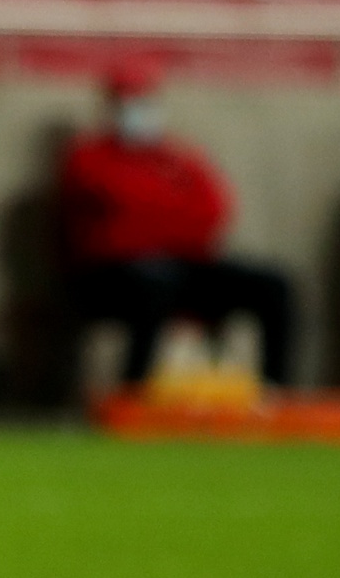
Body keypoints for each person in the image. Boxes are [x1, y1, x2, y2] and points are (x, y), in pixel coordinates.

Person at [59, 57, 295, 386]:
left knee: (273, 284)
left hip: (184, 268)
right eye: (127, 101)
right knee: (155, 281)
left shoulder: (179, 158)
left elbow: (213, 210)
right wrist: (167, 218)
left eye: (144, 100)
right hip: (110, 278)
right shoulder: (87, 156)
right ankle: (134, 391)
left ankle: (274, 392)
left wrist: (153, 223)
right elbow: (118, 217)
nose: (137, 109)